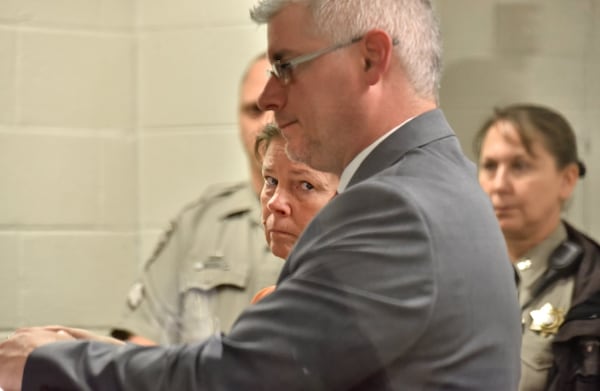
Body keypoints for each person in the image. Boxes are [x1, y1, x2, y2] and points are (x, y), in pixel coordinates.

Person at [0, 1, 521, 390]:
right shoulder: (433, 180)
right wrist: (97, 351)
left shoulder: (394, 206)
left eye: (287, 66)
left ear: (371, 59)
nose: (271, 97)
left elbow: (241, 379)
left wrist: (50, 364)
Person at [110, 52, 284, 345]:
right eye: (253, 111)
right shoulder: (199, 223)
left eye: (278, 108)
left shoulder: (343, 217)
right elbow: (139, 348)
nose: (267, 122)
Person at [474, 103, 600, 391]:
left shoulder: (590, 286)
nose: (499, 185)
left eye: (519, 166)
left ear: (566, 180)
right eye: (490, 166)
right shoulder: (447, 271)